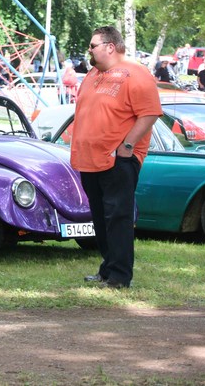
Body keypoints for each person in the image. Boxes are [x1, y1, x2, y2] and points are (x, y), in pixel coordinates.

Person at [70, 26, 161, 289]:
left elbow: (150, 113)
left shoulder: (136, 73)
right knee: (101, 218)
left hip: (117, 160)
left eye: (93, 45)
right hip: (90, 160)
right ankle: (108, 269)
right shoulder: (92, 75)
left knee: (118, 217)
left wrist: (128, 146)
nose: (89, 50)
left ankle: (120, 276)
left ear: (110, 46)